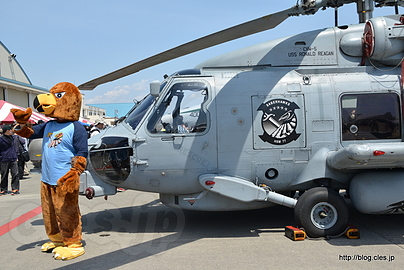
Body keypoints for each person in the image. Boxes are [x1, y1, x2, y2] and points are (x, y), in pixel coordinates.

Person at [0, 125, 20, 195]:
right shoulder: (1, 139)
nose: (11, 131)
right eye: (10, 130)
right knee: (4, 175)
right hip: (4, 159)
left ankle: (15, 188)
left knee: (15, 174)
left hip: (13, 158)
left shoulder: (13, 138)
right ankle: (3, 189)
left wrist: (16, 156)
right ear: (6, 131)